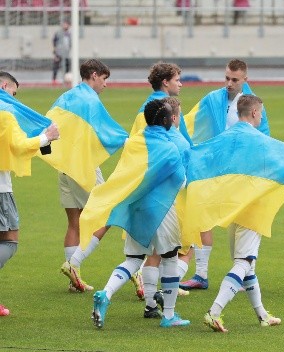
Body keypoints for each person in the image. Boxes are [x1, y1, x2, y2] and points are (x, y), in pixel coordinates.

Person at [182, 94, 284, 332]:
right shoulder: (259, 140)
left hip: (232, 209)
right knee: (244, 262)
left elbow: (201, 154)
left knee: (248, 265)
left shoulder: (225, 137)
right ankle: (214, 312)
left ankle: (262, 315)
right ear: (256, 113)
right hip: (252, 209)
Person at [88, 99, 190, 329]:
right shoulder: (170, 148)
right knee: (170, 258)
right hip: (162, 209)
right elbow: (180, 182)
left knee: (134, 260)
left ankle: (106, 293)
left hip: (136, 207)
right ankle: (169, 316)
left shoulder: (134, 143)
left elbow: (125, 174)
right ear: (166, 120)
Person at [179, 58, 270, 291]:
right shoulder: (212, 99)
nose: (229, 83)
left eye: (235, 80)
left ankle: (246, 275)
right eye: (227, 78)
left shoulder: (254, 105)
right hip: (215, 170)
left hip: (241, 173)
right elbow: (189, 123)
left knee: (242, 222)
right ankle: (201, 275)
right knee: (202, 215)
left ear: (245, 80)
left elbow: (265, 139)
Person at [43, 59, 129, 293]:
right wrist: (127, 140)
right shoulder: (91, 99)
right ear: (93, 75)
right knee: (109, 214)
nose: (105, 85)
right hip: (83, 166)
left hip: (64, 165)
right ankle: (74, 264)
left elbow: (50, 123)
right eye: (104, 79)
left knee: (74, 221)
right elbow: (105, 129)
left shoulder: (66, 97)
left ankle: (74, 281)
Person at [0, 71, 60, 316]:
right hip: (0, 189)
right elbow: (18, 145)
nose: (14, 99)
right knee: (10, 241)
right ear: (4, 86)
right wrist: (46, 136)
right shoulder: (5, 112)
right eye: (13, 92)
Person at [141, 96, 192, 320]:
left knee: (153, 254)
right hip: (175, 203)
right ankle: (167, 299)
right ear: (173, 117)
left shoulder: (146, 138)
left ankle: (150, 303)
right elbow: (186, 177)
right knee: (184, 252)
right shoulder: (178, 142)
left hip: (148, 203)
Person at [52, 20, 71, 84]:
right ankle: (54, 80)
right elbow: (54, 43)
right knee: (56, 66)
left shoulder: (69, 34)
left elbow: (69, 44)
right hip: (59, 53)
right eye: (64, 24)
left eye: (67, 24)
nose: (65, 26)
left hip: (66, 54)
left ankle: (66, 80)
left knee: (67, 67)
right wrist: (55, 53)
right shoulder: (58, 33)